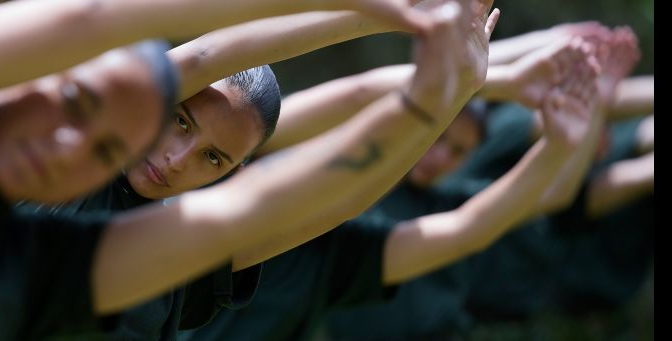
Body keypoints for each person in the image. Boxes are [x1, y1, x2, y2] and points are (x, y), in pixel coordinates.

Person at [0, 0, 489, 339]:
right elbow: (158, 41)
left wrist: (444, 97)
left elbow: (293, 206)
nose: (174, 160)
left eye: (214, 159)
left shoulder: (69, 269)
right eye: (177, 122)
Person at [179, 35, 600, 341]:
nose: (439, 156)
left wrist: (559, 146)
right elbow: (356, 94)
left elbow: (467, 227)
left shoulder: (337, 252)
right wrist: (490, 80)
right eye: (437, 137)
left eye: (456, 149)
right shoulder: (221, 182)